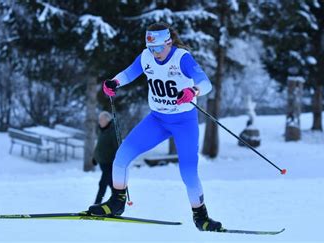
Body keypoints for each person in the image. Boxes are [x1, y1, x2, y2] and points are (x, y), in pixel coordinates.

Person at [88, 22, 223, 232]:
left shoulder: (182, 58)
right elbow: (128, 73)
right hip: (157, 120)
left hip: (183, 122)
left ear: (168, 42)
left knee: (188, 172)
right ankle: (116, 203)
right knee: (121, 156)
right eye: (151, 48)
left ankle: (201, 217)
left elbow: (205, 83)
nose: (155, 53)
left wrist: (193, 91)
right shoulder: (146, 57)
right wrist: (113, 82)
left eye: (159, 48)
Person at [92, 111, 119, 204]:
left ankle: (97, 203)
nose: (99, 121)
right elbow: (99, 146)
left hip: (109, 163)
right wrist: (95, 157)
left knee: (102, 184)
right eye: (99, 120)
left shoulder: (112, 131)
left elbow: (117, 147)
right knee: (111, 183)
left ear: (107, 120)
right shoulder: (102, 130)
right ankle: (117, 201)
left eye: (101, 119)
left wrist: (118, 160)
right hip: (103, 162)